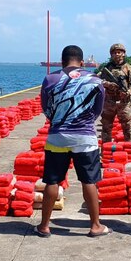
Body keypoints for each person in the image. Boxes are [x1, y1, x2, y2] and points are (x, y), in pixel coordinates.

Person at [36, 45, 110, 238]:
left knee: (52, 180)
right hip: (85, 136)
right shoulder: (94, 80)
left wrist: (59, 119)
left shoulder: (50, 78)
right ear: (83, 62)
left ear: (62, 62)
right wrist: (83, 121)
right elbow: (97, 110)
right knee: (89, 180)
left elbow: (46, 107)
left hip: (57, 136)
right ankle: (95, 225)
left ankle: (44, 225)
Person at [97, 43, 131, 143]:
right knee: (106, 128)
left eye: (119, 52)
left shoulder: (129, 68)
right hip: (109, 102)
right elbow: (97, 79)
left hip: (124, 103)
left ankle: (129, 149)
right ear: (111, 55)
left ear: (124, 54)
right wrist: (107, 84)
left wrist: (128, 92)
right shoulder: (106, 69)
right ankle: (106, 150)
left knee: (127, 127)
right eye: (114, 53)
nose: (117, 55)